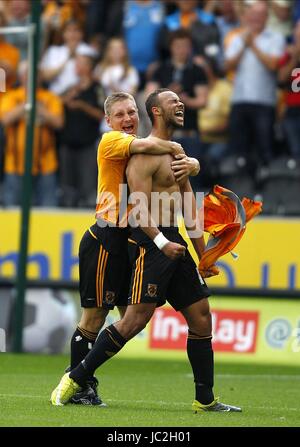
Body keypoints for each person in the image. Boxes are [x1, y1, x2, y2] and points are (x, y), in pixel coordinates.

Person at [50, 89, 241, 413]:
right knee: (100, 317)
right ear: (109, 120)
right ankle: (76, 380)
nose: (127, 119)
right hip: (109, 236)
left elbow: (187, 204)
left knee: (182, 316)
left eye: (130, 113)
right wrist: (188, 157)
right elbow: (146, 181)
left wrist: (204, 255)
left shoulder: (152, 149)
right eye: (120, 114)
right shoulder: (117, 143)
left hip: (143, 238)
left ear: (141, 115)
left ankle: (204, 399)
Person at [0, 61, 63, 207]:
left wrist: (40, 110)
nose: (31, 78)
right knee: (12, 210)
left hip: (46, 164)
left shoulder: (50, 97)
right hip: (15, 164)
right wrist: (27, 105)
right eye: (27, 74)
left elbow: (58, 123)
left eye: (35, 75)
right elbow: (5, 119)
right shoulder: (11, 96)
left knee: (48, 210)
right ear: (21, 77)